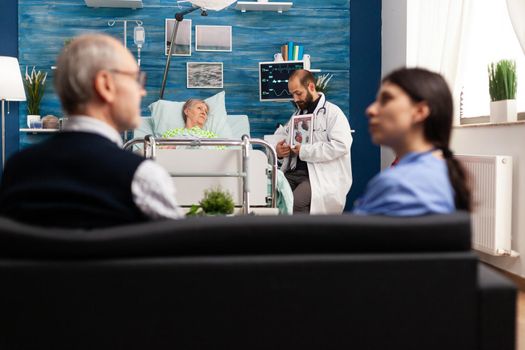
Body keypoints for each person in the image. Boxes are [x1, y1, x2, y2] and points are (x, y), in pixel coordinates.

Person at [0, 34, 184, 228]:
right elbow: (180, 248)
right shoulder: (143, 176)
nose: (142, 91)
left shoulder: (16, 169)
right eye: (136, 79)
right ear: (105, 85)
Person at [353, 67, 471, 215]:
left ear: (420, 111)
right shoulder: (442, 172)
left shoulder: (398, 184)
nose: (370, 110)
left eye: (386, 99)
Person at [274, 69, 353, 214]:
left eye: (298, 93)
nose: (295, 99)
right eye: (292, 95)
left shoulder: (333, 113)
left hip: (318, 176)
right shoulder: (296, 116)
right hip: (294, 172)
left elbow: (341, 146)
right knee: (273, 196)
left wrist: (305, 151)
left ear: (311, 87)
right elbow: (281, 138)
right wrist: (279, 152)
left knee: (296, 202)